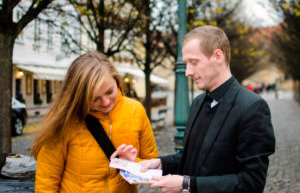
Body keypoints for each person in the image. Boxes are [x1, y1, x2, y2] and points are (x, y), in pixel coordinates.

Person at [112, 25, 276, 193]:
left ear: (218, 56)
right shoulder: (198, 102)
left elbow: (251, 183)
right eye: (186, 64)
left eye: (194, 62)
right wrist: (159, 163)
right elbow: (192, 157)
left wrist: (187, 184)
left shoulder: (252, 107)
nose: (188, 72)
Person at [30, 51, 158, 192]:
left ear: (116, 80)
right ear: (78, 95)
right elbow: (47, 180)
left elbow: (152, 166)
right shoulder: (64, 120)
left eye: (109, 92)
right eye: (94, 98)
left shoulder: (136, 110)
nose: (105, 102)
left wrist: (132, 164)